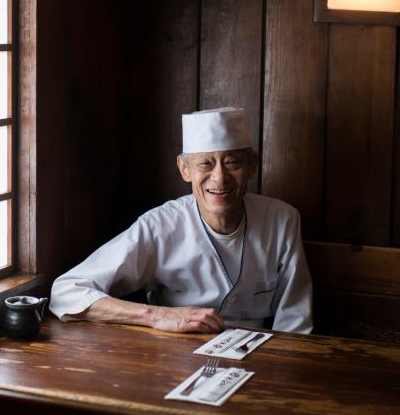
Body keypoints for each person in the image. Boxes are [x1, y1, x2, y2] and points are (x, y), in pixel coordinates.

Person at [49, 107, 312, 334]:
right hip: (176, 353)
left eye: (232, 162)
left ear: (252, 165)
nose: (219, 178)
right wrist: (158, 316)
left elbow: (295, 322)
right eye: (205, 164)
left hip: (260, 357)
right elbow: (66, 292)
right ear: (184, 169)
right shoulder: (160, 225)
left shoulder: (282, 219)